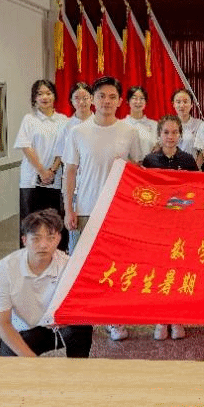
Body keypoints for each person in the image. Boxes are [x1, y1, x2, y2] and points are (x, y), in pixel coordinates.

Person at [62, 75, 143, 341]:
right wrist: (69, 209)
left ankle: (113, 318)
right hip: (86, 209)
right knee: (82, 265)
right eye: (101, 96)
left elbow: (137, 169)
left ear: (120, 101)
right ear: (92, 99)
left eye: (112, 96)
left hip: (119, 211)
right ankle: (79, 316)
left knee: (115, 266)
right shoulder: (78, 132)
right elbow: (69, 172)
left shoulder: (129, 132)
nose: (106, 101)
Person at [0, 208, 93, 357]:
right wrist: (32, 361)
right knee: (10, 361)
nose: (43, 245)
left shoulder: (69, 266)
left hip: (56, 328)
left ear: (58, 238)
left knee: (82, 326)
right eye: (36, 239)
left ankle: (77, 368)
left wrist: (68, 318)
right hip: (22, 332)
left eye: (50, 238)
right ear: (24, 240)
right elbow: (3, 324)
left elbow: (84, 305)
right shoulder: (4, 270)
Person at [143, 115, 199, 340]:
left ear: (180, 135)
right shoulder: (149, 160)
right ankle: (160, 319)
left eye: (175, 132)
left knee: (178, 270)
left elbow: (197, 191)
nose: (170, 136)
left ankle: (177, 318)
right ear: (159, 135)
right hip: (157, 224)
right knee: (159, 271)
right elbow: (145, 192)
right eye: (166, 132)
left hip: (181, 224)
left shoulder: (188, 160)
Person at [13, 79, 68, 249]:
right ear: (34, 98)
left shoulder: (63, 121)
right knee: (30, 222)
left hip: (54, 179)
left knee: (53, 222)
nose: (44, 97)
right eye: (40, 94)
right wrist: (42, 171)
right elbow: (26, 146)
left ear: (54, 96)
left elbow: (63, 150)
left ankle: (55, 257)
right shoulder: (29, 119)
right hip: (31, 179)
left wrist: (52, 170)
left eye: (48, 93)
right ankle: (28, 257)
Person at [54, 82, 93, 203]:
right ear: (71, 101)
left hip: (95, 184)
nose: (81, 102)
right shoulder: (66, 126)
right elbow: (60, 155)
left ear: (91, 99)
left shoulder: (101, 124)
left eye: (85, 98)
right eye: (77, 98)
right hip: (73, 186)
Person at [123, 85, 158, 159]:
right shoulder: (122, 125)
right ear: (128, 101)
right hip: (129, 165)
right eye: (134, 98)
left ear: (146, 102)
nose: (138, 102)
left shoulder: (155, 125)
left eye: (142, 98)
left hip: (150, 165)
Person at [172, 88, 203, 168]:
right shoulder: (168, 124)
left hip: (191, 169)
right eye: (178, 102)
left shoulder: (199, 124)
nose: (182, 105)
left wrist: (196, 169)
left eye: (185, 102)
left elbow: (201, 151)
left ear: (191, 104)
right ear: (173, 104)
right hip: (171, 168)